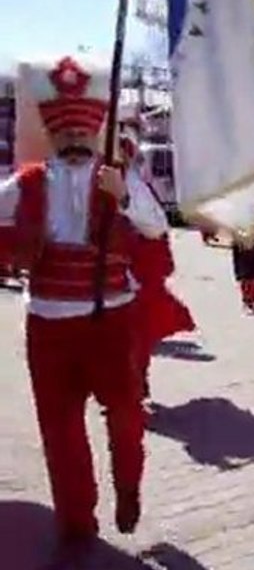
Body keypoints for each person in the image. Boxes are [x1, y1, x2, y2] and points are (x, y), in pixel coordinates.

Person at [0, 54, 169, 563]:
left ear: (95, 133)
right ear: (54, 135)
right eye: (66, 133)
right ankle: (77, 519)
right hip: (49, 321)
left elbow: (157, 227)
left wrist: (124, 198)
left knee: (125, 416)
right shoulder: (27, 182)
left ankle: (129, 487)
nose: (75, 141)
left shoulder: (116, 179)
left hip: (109, 319)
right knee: (60, 429)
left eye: (82, 133)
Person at [118, 135, 196, 399]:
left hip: (132, 269)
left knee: (135, 333)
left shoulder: (131, 184)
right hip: (109, 270)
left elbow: (154, 226)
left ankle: (134, 383)